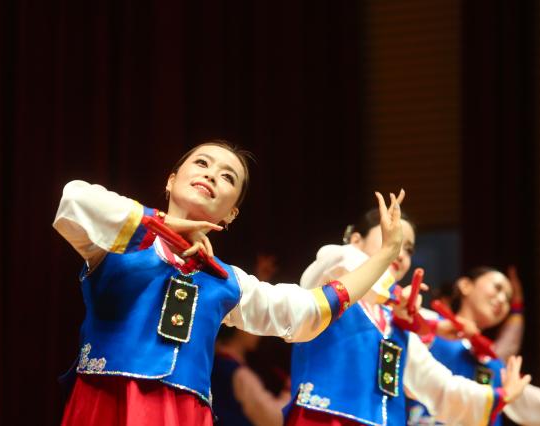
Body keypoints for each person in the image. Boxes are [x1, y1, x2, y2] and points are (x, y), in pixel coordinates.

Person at [53, 140, 406, 426]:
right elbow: (73, 199)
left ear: (231, 213)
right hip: (107, 402)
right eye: (202, 163)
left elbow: (308, 311)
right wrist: (162, 224)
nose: (211, 176)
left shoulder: (228, 282)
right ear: (171, 180)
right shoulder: (114, 240)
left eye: (228, 177)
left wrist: (386, 254)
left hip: (185, 416)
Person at [287, 210, 531, 426]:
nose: (399, 252)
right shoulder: (332, 274)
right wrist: (403, 304)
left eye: (408, 248)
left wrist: (500, 396)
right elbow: (347, 261)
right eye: (390, 239)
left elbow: (438, 386)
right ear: (356, 240)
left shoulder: (396, 323)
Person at [407, 267, 540, 425]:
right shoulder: (425, 325)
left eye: (507, 299)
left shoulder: (493, 362)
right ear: (465, 285)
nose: (501, 300)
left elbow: (538, 405)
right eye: (497, 288)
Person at [211, 325, 290, 426]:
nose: (260, 332)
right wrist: (289, 390)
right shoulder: (240, 375)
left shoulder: (213, 360)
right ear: (239, 327)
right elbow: (273, 419)